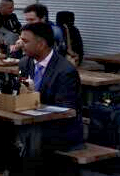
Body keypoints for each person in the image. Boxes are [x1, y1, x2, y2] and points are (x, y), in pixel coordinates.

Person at [18, 22, 83, 150]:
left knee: (31, 135)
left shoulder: (65, 71)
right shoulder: (25, 63)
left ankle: (27, 169)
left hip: (60, 127)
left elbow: (65, 111)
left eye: (25, 41)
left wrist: (35, 106)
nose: (21, 44)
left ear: (41, 44)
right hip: (32, 121)